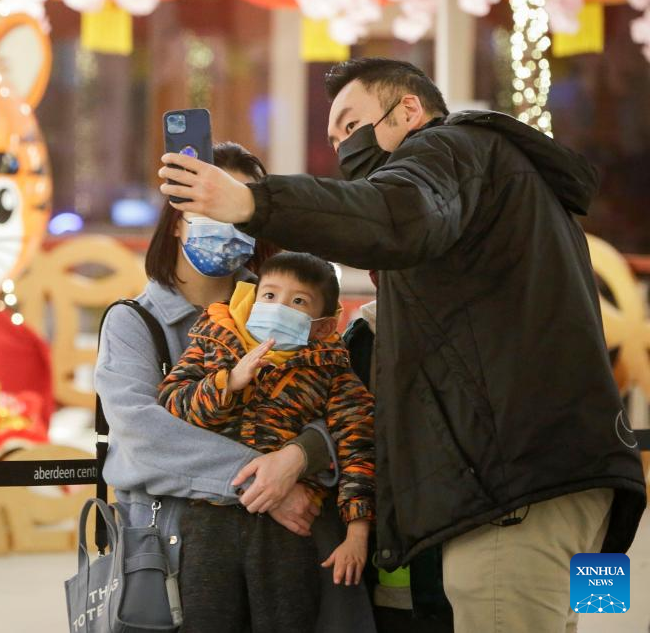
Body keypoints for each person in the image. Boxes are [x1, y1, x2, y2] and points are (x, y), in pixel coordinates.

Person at [157, 58, 647, 633]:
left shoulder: (450, 150)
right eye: (334, 138)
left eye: (351, 124)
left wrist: (252, 203)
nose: (344, 146)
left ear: (409, 109)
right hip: (570, 482)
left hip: (514, 493)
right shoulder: (509, 190)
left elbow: (395, 215)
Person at [96, 141, 376, 633]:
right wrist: (264, 482)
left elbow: (340, 404)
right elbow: (144, 438)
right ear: (178, 217)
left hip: (295, 550)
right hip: (182, 553)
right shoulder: (134, 322)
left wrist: (300, 456)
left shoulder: (292, 309)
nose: (225, 221)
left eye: (237, 207)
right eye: (210, 206)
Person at [158, 251, 375, 632]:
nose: (279, 307)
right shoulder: (213, 340)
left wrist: (357, 533)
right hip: (210, 519)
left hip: (289, 530)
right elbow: (172, 406)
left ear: (323, 325)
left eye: (298, 301)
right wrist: (228, 383)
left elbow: (358, 447)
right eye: (270, 295)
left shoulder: (333, 371)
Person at [344, 271, 454, 633]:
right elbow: (352, 438)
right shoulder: (364, 337)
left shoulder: (476, 332)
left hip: (480, 555)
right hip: (401, 565)